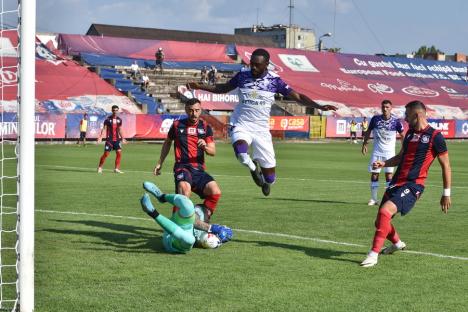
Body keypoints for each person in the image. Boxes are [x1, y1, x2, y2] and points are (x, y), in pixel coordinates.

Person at [187, 48, 337, 196]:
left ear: (266, 65)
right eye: (251, 63)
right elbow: (223, 88)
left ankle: (265, 180)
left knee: (270, 178)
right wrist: (201, 86)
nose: (253, 67)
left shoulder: (274, 81)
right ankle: (253, 169)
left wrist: (319, 106)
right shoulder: (242, 76)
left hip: (261, 130)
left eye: (257, 65)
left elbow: (298, 97)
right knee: (241, 152)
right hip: (241, 123)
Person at [360, 100, 451, 267]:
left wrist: (446, 194)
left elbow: (446, 165)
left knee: (385, 213)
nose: (405, 118)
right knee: (379, 222)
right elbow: (401, 157)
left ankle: (373, 255)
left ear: (417, 115)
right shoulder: (409, 133)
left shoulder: (435, 136)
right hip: (396, 182)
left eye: (407, 114)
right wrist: (384, 164)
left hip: (413, 185)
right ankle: (397, 243)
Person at [154, 98, 221, 224]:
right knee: (184, 191)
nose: (194, 114)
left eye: (197, 110)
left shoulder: (205, 127)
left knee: (215, 192)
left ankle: (202, 215)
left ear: (200, 110)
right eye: (190, 110)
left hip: (199, 170)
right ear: (186, 110)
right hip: (182, 167)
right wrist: (160, 162)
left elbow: (213, 151)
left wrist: (205, 147)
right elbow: (168, 142)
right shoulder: (177, 125)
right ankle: (175, 225)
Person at [140, 182, 232, 253]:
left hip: (172, 241)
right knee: (188, 205)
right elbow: (194, 219)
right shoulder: (203, 213)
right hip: (183, 224)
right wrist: (212, 228)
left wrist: (211, 228)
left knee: (189, 240)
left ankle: (151, 212)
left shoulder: (192, 242)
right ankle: (162, 197)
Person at [362, 100, 404, 206]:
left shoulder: (396, 121)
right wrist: (365, 144)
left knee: (389, 176)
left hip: (390, 153)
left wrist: (404, 149)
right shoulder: (375, 119)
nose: (385, 109)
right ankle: (373, 199)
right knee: (374, 174)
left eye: (387, 107)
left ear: (391, 108)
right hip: (377, 152)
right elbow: (368, 131)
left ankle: (388, 199)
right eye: (383, 107)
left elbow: (403, 135)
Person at [97, 105, 126, 174]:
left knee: (119, 153)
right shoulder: (108, 119)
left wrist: (123, 138)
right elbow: (104, 129)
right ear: (112, 111)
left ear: (118, 111)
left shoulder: (119, 120)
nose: (115, 112)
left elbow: (120, 129)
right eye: (114, 110)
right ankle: (100, 167)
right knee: (106, 154)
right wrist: (101, 137)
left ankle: (116, 169)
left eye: (116, 110)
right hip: (109, 140)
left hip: (117, 140)